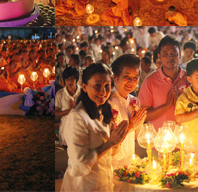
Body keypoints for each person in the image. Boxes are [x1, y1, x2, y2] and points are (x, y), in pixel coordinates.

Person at [60, 63, 129, 192]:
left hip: (104, 183)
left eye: (107, 86)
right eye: (97, 86)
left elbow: (111, 154)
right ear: (84, 87)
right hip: (84, 185)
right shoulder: (78, 117)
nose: (103, 92)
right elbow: (80, 164)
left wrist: (117, 141)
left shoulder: (104, 110)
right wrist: (110, 143)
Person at [139, 35, 188, 130]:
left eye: (174, 53)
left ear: (179, 55)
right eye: (165, 54)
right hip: (160, 141)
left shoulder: (189, 79)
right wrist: (166, 107)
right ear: (159, 57)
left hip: (186, 140)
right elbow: (143, 116)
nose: (170, 57)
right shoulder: (150, 81)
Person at [109, 55, 147, 175]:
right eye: (126, 77)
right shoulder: (108, 102)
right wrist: (130, 126)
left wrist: (138, 122)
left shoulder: (134, 101)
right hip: (111, 162)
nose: (131, 82)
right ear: (115, 77)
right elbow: (109, 141)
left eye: (135, 77)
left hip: (128, 158)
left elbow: (136, 136)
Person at [56, 67, 80, 145]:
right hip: (66, 128)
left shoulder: (83, 92)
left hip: (80, 127)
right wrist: (69, 111)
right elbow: (55, 113)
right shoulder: (60, 94)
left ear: (76, 79)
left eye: (72, 79)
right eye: (67, 79)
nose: (70, 81)